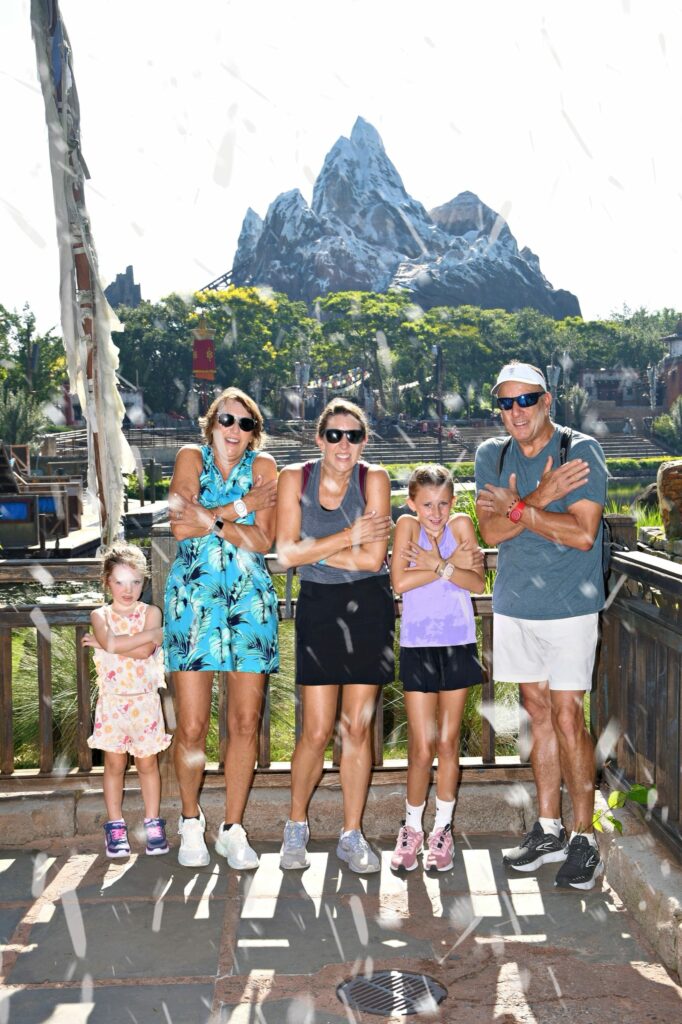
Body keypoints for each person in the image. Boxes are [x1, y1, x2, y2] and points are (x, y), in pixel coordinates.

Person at [475, 361, 607, 890]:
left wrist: (520, 511)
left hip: (571, 606)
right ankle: (548, 826)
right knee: (536, 712)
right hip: (515, 604)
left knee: (568, 716)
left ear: (547, 401)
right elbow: (488, 529)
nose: (516, 413)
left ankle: (585, 836)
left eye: (525, 400)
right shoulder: (493, 455)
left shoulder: (580, 451)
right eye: (505, 403)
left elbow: (582, 535)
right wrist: (543, 498)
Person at [276, 398, 393, 873]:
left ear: (363, 441)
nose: (344, 444)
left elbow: (372, 561)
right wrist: (348, 537)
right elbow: (285, 553)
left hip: (369, 609)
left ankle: (350, 833)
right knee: (317, 731)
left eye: (353, 436)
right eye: (334, 435)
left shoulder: (375, 480)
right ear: (318, 438)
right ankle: (296, 826)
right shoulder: (293, 479)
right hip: (320, 609)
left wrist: (313, 550)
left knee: (357, 730)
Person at [164, 386, 278, 870]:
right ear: (211, 425)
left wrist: (210, 519)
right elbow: (176, 525)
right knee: (191, 726)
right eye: (226, 421)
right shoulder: (191, 457)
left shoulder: (265, 469)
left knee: (244, 724)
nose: (235, 430)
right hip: (193, 604)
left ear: (254, 433)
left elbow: (264, 538)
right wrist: (239, 509)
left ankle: (233, 828)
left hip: (250, 606)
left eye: (245, 423)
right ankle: (191, 822)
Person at [390, 465, 484, 871]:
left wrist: (434, 563)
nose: (436, 512)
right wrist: (447, 564)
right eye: (427, 504)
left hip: (457, 642)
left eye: (443, 503)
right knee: (420, 747)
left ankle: (441, 831)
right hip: (418, 644)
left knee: (447, 745)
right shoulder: (406, 526)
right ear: (412, 502)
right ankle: (411, 829)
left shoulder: (461, 524)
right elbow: (399, 583)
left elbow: (477, 583)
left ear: (453, 503)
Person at [83, 543, 171, 859]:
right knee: (114, 764)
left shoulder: (151, 613)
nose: (127, 589)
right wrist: (150, 636)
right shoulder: (99, 614)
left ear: (144, 583)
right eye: (119, 581)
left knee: (148, 765)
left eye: (135, 582)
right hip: (111, 704)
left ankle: (152, 823)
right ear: (107, 582)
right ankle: (116, 825)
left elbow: (144, 653)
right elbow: (131, 643)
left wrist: (110, 645)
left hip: (145, 703)